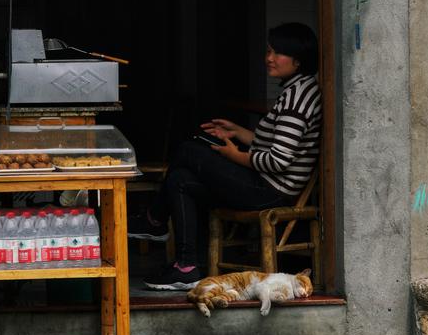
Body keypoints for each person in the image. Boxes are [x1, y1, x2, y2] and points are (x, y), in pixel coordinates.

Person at [131, 22, 323, 290]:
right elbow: (273, 143)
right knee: (180, 179)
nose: (269, 58)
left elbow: (278, 161)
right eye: (268, 51)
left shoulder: (296, 99)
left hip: (271, 190)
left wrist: (234, 155)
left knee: (188, 150)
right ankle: (186, 267)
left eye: (277, 53)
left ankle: (154, 220)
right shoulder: (297, 88)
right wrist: (236, 132)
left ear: (298, 60)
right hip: (265, 184)